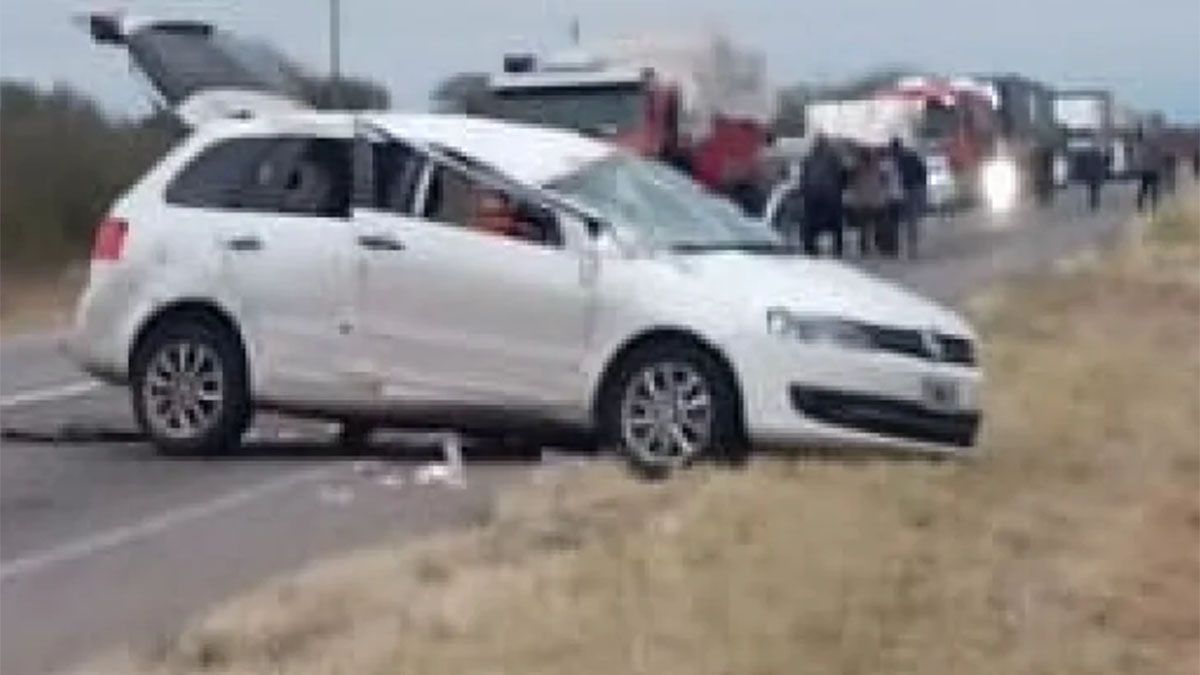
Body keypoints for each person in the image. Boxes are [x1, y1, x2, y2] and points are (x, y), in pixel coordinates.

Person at [799, 135, 848, 257]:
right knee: (836, 224)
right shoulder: (834, 158)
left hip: (813, 195)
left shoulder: (809, 158)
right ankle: (837, 248)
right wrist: (841, 189)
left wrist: (804, 191)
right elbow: (842, 175)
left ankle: (810, 247)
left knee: (811, 223)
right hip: (830, 195)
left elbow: (804, 176)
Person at [890, 137, 928, 258]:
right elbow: (922, 172)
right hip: (912, 189)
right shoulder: (911, 156)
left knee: (900, 221)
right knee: (911, 221)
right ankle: (911, 247)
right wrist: (921, 187)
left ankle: (900, 247)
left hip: (901, 191)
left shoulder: (894, 160)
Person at [1134, 129, 1165, 213]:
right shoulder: (1155, 149)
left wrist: (1139, 169)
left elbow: (1139, 160)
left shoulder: (1143, 148)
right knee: (1152, 191)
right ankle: (1152, 208)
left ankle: (1141, 207)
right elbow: (1160, 161)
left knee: (1144, 191)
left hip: (1147, 172)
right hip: (1152, 172)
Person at [1077, 144, 1107, 212]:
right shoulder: (1099, 158)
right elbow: (1101, 169)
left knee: (1092, 192)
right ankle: (1096, 204)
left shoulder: (1090, 158)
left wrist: (1087, 176)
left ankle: (1092, 204)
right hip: (1096, 178)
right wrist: (1101, 178)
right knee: (1096, 192)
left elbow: (1088, 168)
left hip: (1091, 177)